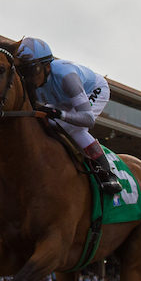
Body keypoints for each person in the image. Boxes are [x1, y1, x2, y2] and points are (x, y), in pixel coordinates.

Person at [16, 37, 121, 194]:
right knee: (44, 123)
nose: (28, 77)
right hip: (64, 97)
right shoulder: (33, 81)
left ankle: (107, 173)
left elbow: (88, 119)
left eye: (32, 71)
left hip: (92, 89)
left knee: (74, 128)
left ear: (47, 67)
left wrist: (60, 114)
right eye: (24, 71)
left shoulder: (67, 77)